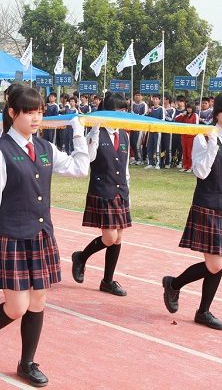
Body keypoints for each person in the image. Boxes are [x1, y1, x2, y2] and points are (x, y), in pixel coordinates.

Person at [0, 84, 88, 387]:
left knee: (38, 302)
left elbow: (79, 168)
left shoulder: (45, 148)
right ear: (13, 113)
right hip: (11, 237)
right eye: (29, 111)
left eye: (40, 111)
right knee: (17, 307)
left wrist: (79, 133)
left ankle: (27, 363)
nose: (36, 117)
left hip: (40, 236)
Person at [162, 92, 222, 331]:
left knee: (218, 263)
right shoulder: (202, 137)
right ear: (217, 112)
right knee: (214, 264)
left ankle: (198, 306)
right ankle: (177, 286)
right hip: (208, 204)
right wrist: (212, 145)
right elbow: (200, 172)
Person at [71, 92, 131, 297]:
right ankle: (81, 257)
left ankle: (108, 280)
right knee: (109, 236)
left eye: (124, 110)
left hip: (120, 189)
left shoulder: (124, 135)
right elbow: (90, 157)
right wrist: (95, 131)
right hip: (102, 188)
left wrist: (127, 191)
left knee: (118, 237)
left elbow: (125, 167)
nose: (123, 114)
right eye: (119, 110)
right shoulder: (95, 133)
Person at [175, 102, 200, 172]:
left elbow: (196, 126)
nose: (189, 109)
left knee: (190, 152)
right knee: (184, 152)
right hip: (184, 136)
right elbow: (176, 119)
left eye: (190, 108)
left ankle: (190, 166)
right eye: (188, 108)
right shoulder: (184, 115)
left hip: (191, 137)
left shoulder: (195, 115)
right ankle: (185, 166)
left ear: (193, 108)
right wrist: (182, 115)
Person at [130, 91, 148, 165]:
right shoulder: (132, 105)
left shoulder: (144, 105)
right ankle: (137, 158)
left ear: (141, 96)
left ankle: (141, 159)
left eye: (139, 95)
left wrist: (137, 116)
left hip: (141, 127)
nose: (137, 96)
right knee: (133, 143)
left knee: (138, 143)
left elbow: (145, 115)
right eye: (136, 95)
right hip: (133, 127)